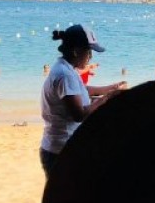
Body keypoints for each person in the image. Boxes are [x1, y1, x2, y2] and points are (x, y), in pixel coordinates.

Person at [40, 25, 125, 178]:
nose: (91, 56)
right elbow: (79, 114)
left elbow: (82, 90)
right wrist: (107, 98)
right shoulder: (65, 74)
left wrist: (111, 88)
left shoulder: (66, 68)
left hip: (59, 147)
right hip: (61, 150)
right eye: (89, 51)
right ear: (76, 51)